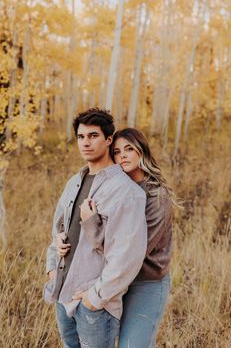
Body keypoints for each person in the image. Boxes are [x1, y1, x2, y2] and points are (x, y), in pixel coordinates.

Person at [57, 127, 174, 348]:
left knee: (134, 344)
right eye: (117, 151)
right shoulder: (113, 188)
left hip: (145, 281)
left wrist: (91, 223)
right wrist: (60, 242)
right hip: (113, 281)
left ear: (141, 152)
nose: (122, 156)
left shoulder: (155, 196)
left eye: (129, 149)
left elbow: (131, 251)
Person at [44, 109, 147, 348]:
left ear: (108, 139)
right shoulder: (74, 181)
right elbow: (57, 228)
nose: (86, 143)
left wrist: (94, 298)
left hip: (95, 306)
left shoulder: (126, 191)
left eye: (93, 136)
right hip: (63, 293)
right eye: (81, 137)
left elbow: (127, 255)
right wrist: (52, 269)